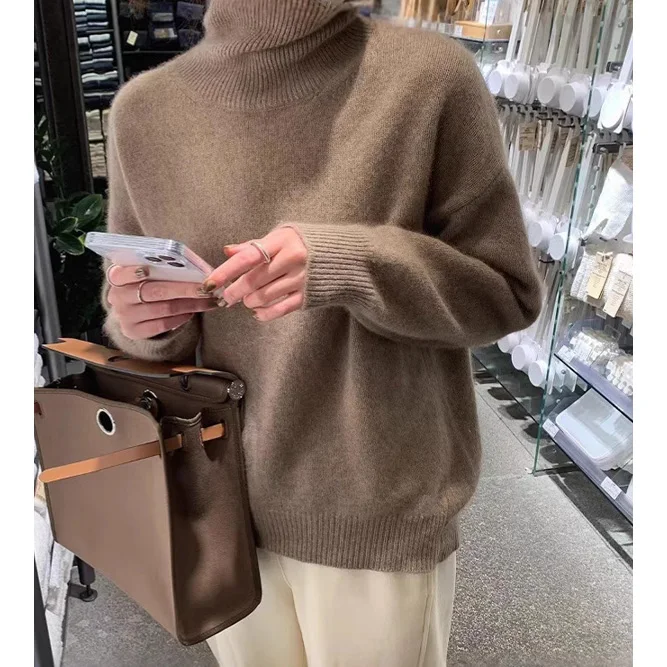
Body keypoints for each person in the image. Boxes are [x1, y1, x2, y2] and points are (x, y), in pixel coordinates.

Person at [102, 1, 542, 664]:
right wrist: (142, 324)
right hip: (218, 507)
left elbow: (504, 293)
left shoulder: (427, 79)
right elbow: (149, 324)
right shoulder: (143, 113)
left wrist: (351, 263)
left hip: (374, 512)